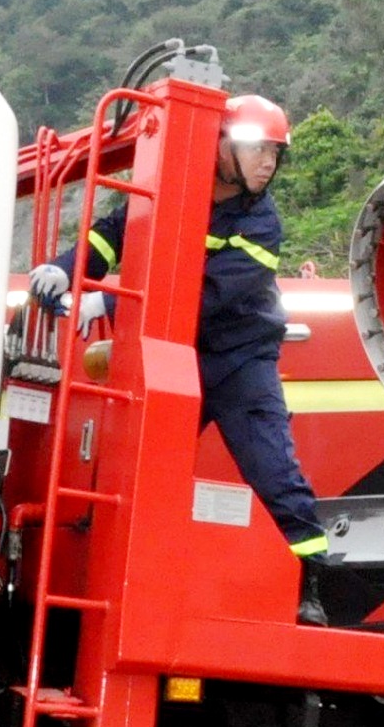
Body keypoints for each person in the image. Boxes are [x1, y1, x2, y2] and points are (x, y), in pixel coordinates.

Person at [31, 93, 334, 622]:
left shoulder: (262, 224)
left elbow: (208, 297)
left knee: (272, 471)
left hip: (240, 361)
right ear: (219, 147)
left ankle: (309, 587)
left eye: (275, 153)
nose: (268, 163)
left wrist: (112, 302)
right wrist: (64, 268)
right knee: (132, 468)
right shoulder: (172, 191)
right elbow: (112, 235)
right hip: (176, 356)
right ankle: (111, 578)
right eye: (257, 149)